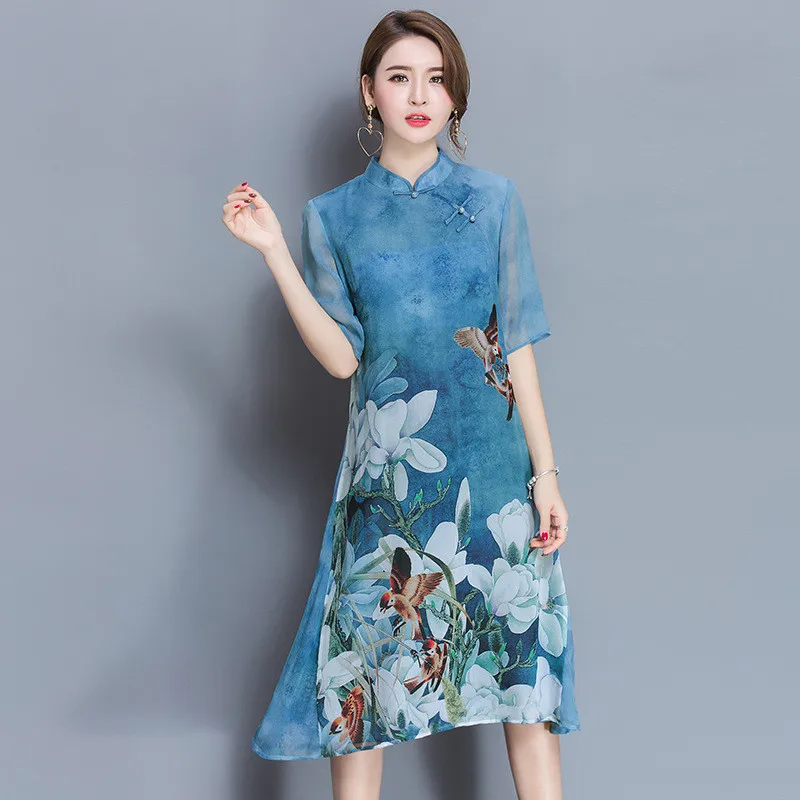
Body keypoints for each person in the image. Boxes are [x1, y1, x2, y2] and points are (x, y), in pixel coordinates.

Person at [222, 9, 579, 799]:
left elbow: (516, 346)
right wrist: (275, 252)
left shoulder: (495, 201)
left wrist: (546, 475)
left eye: (436, 78)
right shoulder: (331, 217)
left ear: (455, 96)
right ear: (369, 92)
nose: (419, 95)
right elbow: (342, 358)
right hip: (389, 491)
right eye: (400, 77)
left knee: (526, 691)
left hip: (495, 487)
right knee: (366, 693)